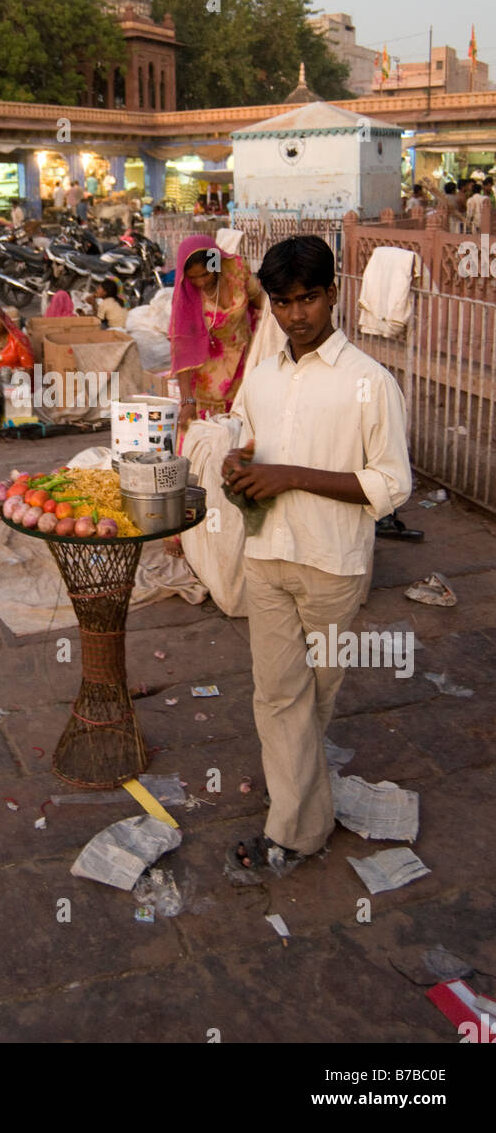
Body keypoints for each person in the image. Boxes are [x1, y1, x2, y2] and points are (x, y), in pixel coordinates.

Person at [222, 236, 412, 877]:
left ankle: (296, 798)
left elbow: (392, 485)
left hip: (332, 564)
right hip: (266, 552)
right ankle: (297, 830)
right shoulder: (263, 373)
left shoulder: (369, 382)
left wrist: (292, 476)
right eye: (282, 302)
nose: (295, 315)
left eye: (307, 299)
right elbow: (245, 434)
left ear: (333, 294)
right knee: (279, 695)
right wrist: (237, 460)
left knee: (314, 698)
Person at [169, 234, 263, 434]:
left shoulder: (236, 269)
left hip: (245, 368)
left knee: (244, 434)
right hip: (207, 384)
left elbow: (261, 302)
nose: (201, 282)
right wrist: (188, 401)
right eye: (193, 277)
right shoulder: (185, 296)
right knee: (211, 440)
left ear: (215, 263)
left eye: (205, 274)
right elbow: (182, 351)